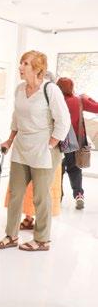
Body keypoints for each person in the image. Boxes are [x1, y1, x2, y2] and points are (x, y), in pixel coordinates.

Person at [0, 51, 70, 252]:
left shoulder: (50, 89)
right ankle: (11, 236)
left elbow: (63, 120)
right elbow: (16, 117)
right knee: (15, 193)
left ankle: (42, 240)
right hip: (21, 148)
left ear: (38, 69)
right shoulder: (20, 89)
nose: (20, 67)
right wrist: (10, 139)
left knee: (40, 196)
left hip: (44, 150)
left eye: (25, 63)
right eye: (21, 63)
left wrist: (50, 144)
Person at [57, 77, 98, 209]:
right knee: (74, 168)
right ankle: (79, 194)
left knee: (58, 169)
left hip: (58, 140)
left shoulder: (56, 101)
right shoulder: (79, 100)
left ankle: (57, 196)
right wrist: (88, 98)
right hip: (76, 141)